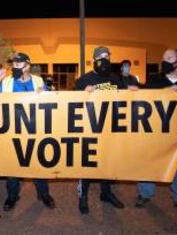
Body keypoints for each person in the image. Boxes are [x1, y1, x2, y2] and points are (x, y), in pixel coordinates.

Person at [136, 49, 177, 217]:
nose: (164, 61)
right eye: (163, 58)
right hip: (154, 135)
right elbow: (142, 99)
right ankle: (145, 194)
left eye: (169, 58)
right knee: (148, 165)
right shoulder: (154, 80)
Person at [0, 52, 56, 211]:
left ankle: (44, 194)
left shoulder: (38, 81)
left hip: (35, 131)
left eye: (18, 64)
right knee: (13, 167)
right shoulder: (6, 82)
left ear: (28, 66)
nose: (14, 67)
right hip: (13, 132)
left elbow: (52, 100)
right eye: (13, 64)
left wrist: (47, 92)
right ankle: (12, 197)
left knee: (38, 165)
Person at [74, 46, 133, 214]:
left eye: (107, 56)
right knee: (86, 164)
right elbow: (72, 104)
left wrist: (133, 92)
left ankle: (106, 193)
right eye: (101, 56)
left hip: (109, 128)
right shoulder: (84, 79)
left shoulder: (115, 78)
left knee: (107, 161)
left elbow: (125, 97)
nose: (104, 59)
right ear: (94, 59)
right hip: (89, 128)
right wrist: (83, 94)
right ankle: (83, 196)